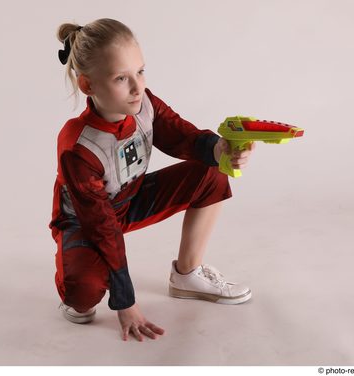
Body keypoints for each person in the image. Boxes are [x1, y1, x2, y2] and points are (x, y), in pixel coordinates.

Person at [50, 18, 256, 342]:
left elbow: (181, 135)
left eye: (140, 71)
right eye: (121, 78)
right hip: (86, 222)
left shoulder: (143, 104)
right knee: (83, 296)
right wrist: (125, 300)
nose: (137, 87)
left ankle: (187, 274)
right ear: (88, 85)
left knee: (213, 169)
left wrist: (222, 150)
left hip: (128, 201)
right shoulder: (78, 146)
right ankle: (74, 287)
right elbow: (100, 224)